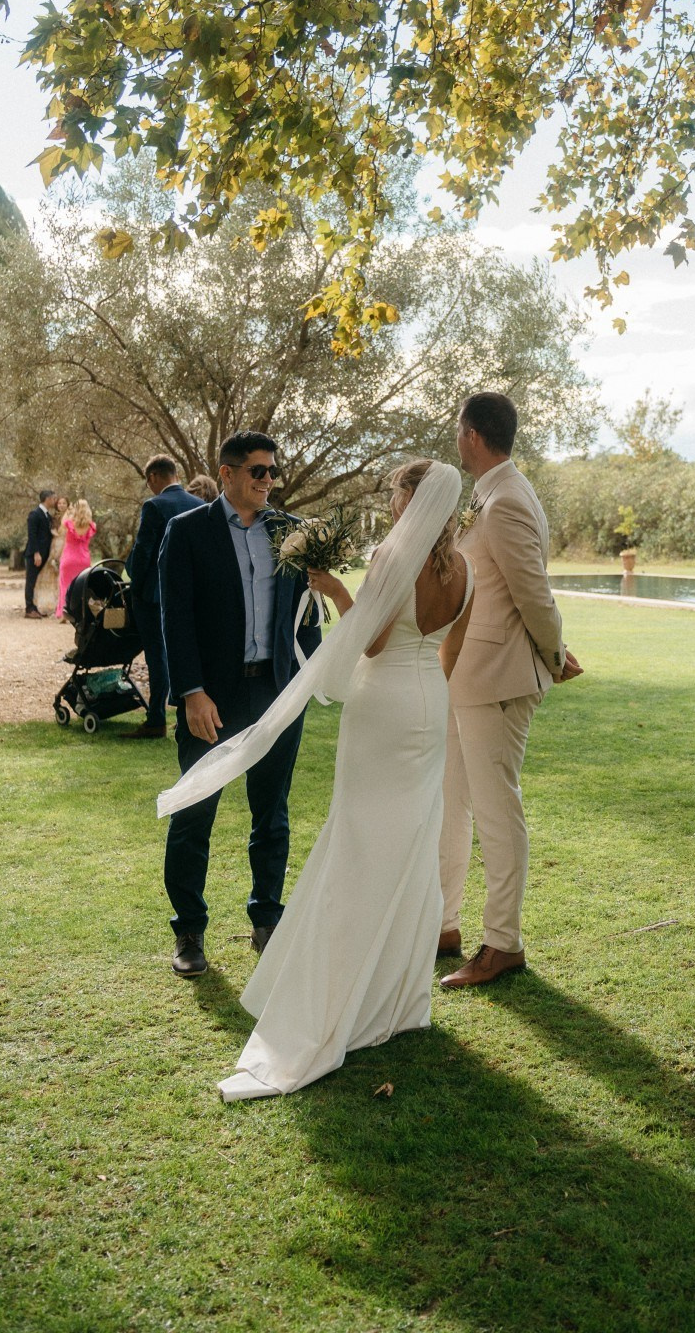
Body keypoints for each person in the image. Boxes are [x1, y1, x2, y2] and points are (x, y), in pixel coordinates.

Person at [212, 459, 473, 1101]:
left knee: (358, 841)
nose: (393, 504)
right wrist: (426, 689)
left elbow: (372, 643)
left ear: (410, 501)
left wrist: (331, 587)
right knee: (410, 844)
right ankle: (398, 998)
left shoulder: (392, 557)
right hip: (429, 705)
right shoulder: (464, 568)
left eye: (397, 493)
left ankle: (338, 995)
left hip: (382, 706)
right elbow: (451, 651)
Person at [158, 432, 321, 979]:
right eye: (257, 471)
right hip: (212, 698)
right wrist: (191, 691)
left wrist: (305, 677)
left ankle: (267, 919)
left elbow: (306, 613)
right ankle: (188, 930)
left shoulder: (291, 531)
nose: (268, 480)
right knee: (194, 811)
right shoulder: (187, 532)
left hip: (277, 693)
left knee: (271, 812)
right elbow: (175, 617)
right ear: (226, 474)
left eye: (272, 470)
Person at [439, 392, 581, 990]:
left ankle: (503, 943)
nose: (456, 438)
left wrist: (554, 653)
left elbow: (533, 593)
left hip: (498, 679)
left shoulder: (507, 502)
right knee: (451, 801)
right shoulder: (488, 494)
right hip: (466, 674)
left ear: (472, 434)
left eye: (458, 430)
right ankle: (443, 924)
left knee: (497, 811)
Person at [126, 458, 203, 738]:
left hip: (154, 595)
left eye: (148, 480)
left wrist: (135, 584)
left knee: (157, 656)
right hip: (191, 593)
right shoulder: (199, 505)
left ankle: (156, 718)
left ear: (154, 476)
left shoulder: (154, 506)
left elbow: (143, 551)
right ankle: (184, 715)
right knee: (186, 651)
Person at [55, 499, 97, 620]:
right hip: (83, 559)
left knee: (65, 585)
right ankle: (79, 613)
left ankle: (64, 613)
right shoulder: (91, 525)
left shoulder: (69, 523)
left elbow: (62, 525)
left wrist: (68, 512)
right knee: (81, 586)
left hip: (69, 558)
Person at [22, 488, 58, 619]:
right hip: (35, 555)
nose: (55, 501)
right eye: (53, 498)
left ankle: (35, 607)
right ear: (47, 499)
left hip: (44, 555)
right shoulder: (35, 514)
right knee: (31, 581)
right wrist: (36, 553)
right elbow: (32, 535)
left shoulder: (47, 515)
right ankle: (29, 609)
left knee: (37, 582)